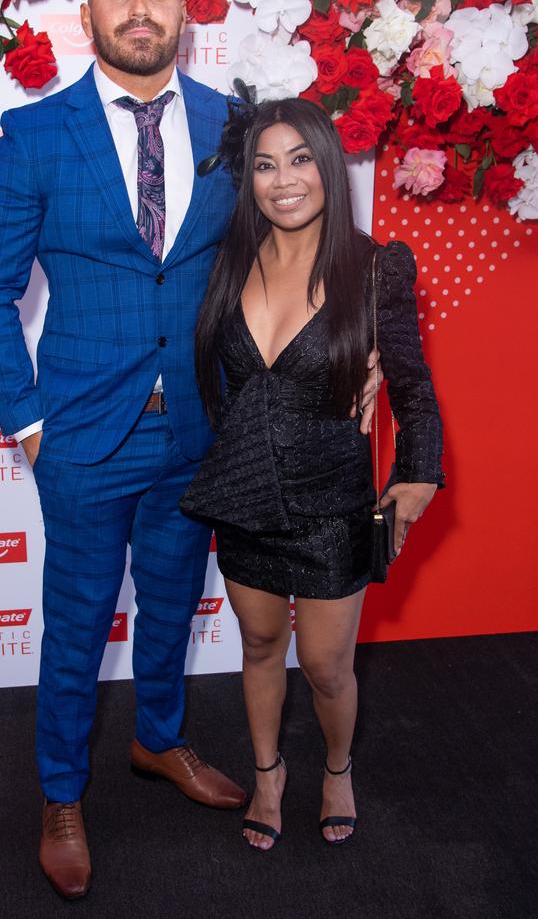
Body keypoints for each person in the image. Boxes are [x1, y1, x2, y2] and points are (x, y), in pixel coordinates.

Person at [0, 0, 379, 897]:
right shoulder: (34, 137)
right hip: (81, 436)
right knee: (74, 624)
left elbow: (299, 227)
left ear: (183, 14)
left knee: (169, 608)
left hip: (201, 431)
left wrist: (359, 348)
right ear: (88, 12)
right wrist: (26, 420)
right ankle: (61, 793)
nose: (139, 6)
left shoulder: (232, 125)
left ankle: (159, 740)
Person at [181, 98, 444, 851]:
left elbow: (415, 389)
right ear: (248, 180)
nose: (283, 179)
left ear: (329, 167)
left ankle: (335, 767)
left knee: (328, 668)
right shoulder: (225, 261)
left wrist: (418, 474)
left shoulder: (375, 267)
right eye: (265, 164)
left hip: (332, 506)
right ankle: (268, 774)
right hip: (243, 500)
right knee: (259, 646)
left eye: (300, 159)